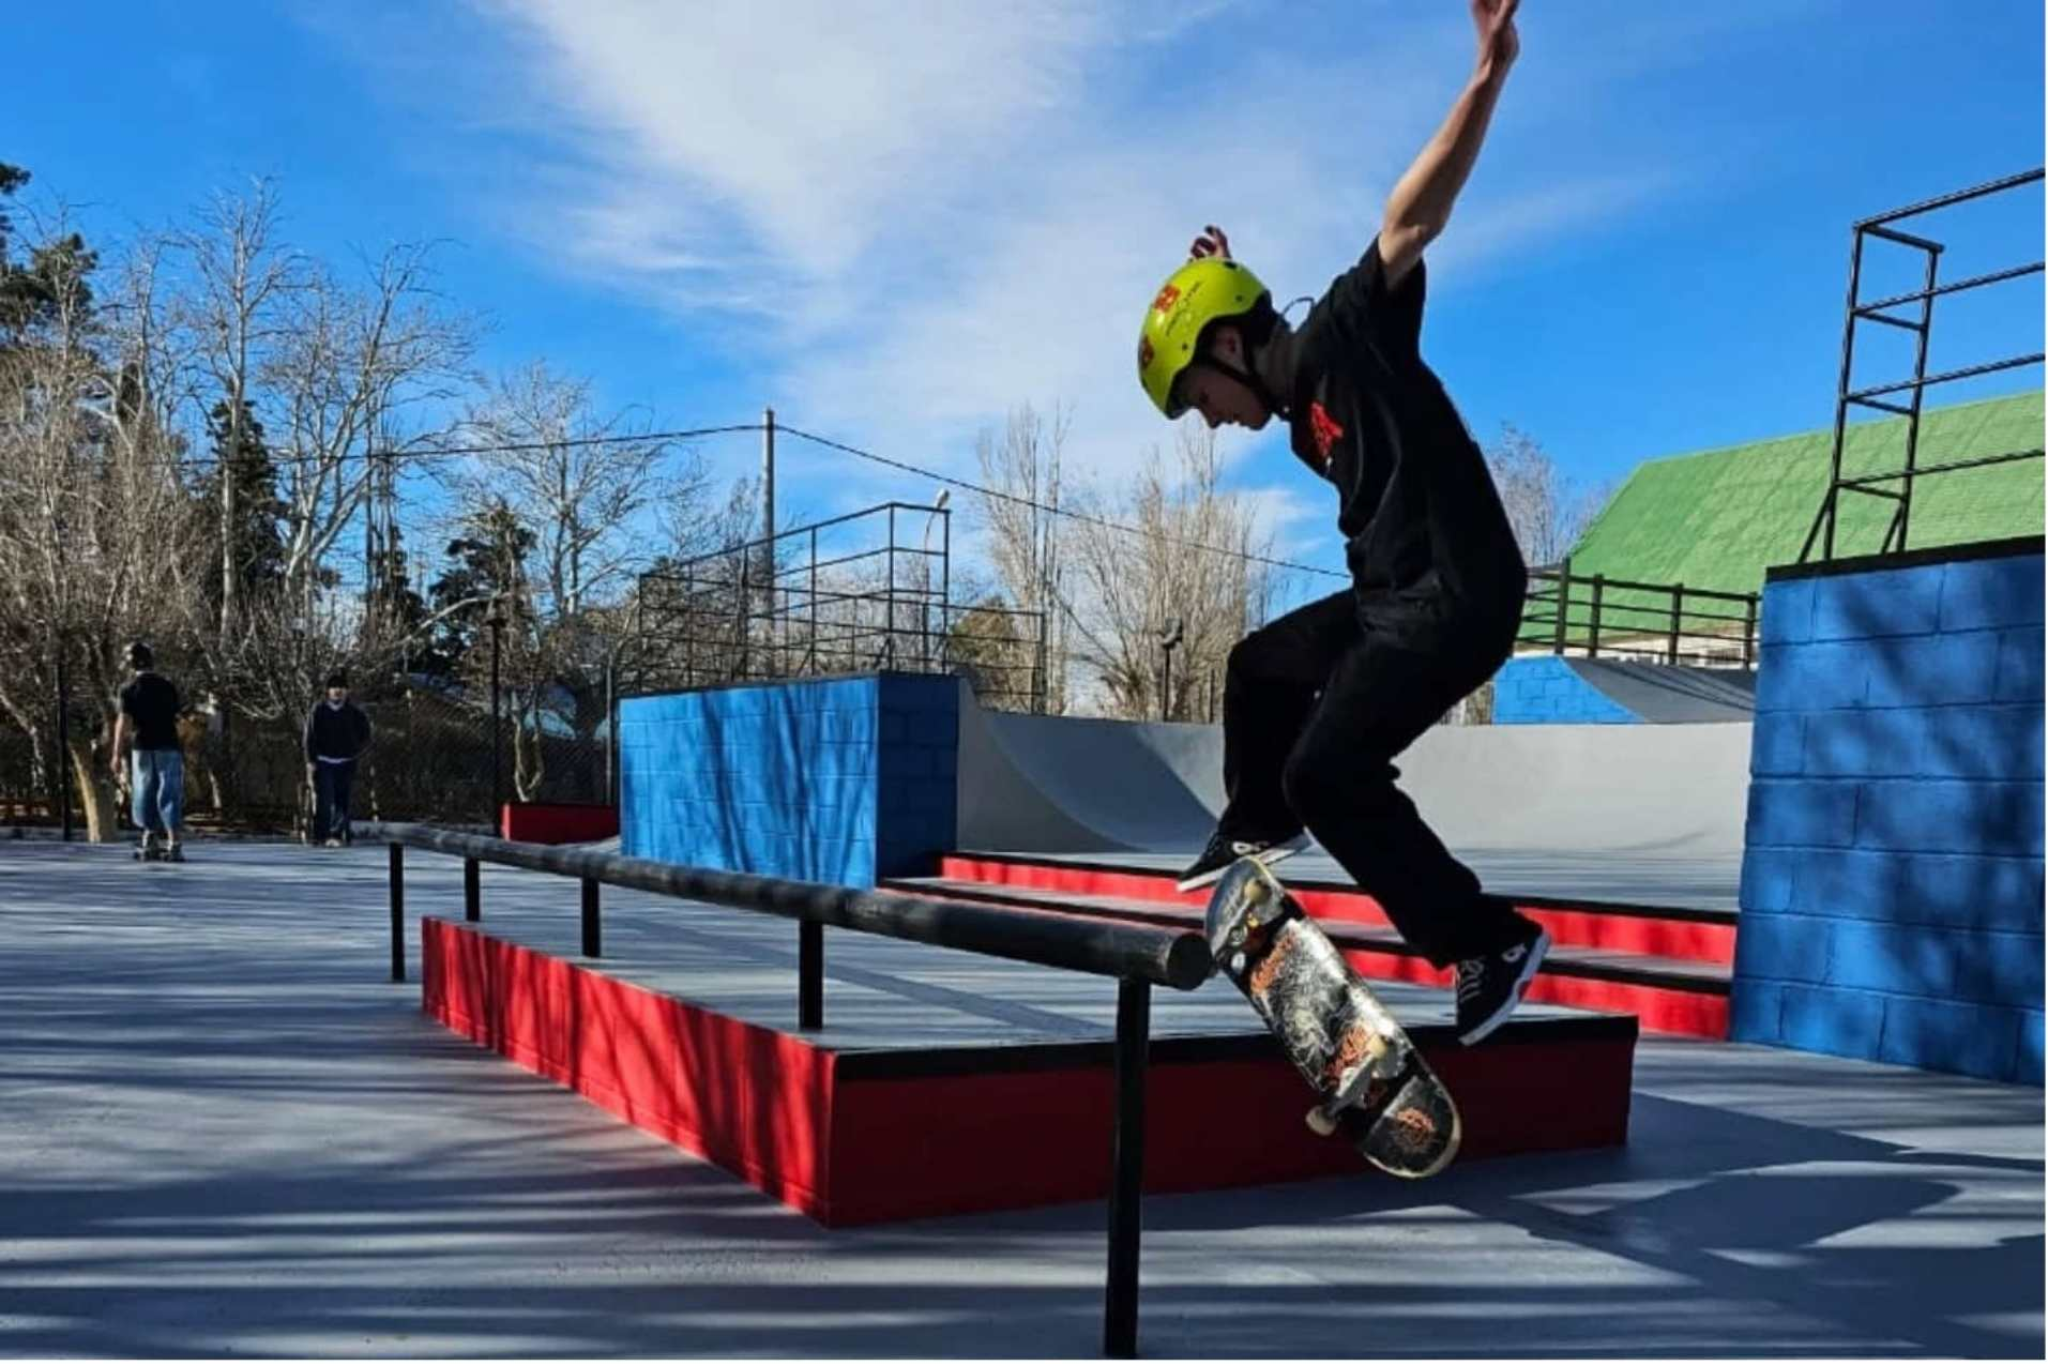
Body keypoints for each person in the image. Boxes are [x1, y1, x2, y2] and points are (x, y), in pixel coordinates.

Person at [1133, 0, 1547, 1044]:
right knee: (1256, 665)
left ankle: (1484, 938)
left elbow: (1411, 220)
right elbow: (1257, 339)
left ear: (1228, 347)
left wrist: (1484, 80)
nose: (1210, 423)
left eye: (1196, 396)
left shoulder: (1343, 332)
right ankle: (1259, 824)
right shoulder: (1294, 409)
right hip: (1389, 598)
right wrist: (1214, 273)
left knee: (1330, 768)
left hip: (1455, 594)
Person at [110, 641, 187, 861]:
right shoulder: (167, 686)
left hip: (142, 745)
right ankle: (174, 842)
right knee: (170, 792)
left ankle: (149, 836)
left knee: (144, 790)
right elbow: (177, 717)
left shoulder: (128, 689)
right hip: (168, 744)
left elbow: (123, 723)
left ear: (130, 664)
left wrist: (116, 753)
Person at [304, 671, 373, 847]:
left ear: (347, 691)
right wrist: (311, 760)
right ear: (328, 691)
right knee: (324, 800)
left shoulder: (354, 713)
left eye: (341, 688)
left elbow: (365, 734)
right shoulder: (318, 710)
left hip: (346, 762)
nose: (337, 691)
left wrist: (355, 751)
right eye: (334, 688)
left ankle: (336, 834)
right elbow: (309, 736)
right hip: (324, 761)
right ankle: (321, 835)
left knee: (342, 801)